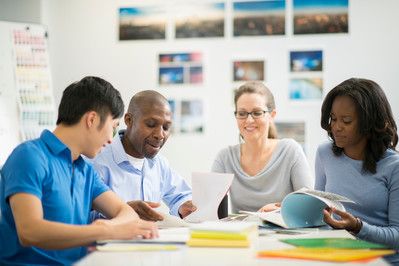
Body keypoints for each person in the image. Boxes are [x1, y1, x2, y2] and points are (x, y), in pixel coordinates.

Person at [0, 76, 158, 265]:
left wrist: (109, 226)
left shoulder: (84, 170)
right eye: (113, 127)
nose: (111, 139)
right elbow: (30, 231)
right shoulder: (29, 157)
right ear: (92, 119)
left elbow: (127, 213)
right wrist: (106, 230)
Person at [315, 78, 399, 254]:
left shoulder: (394, 166)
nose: (336, 127)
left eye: (346, 121)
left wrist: (358, 227)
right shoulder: (325, 153)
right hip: (336, 256)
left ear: (370, 123)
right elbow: (319, 213)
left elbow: (397, 236)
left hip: (379, 261)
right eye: (333, 118)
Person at [92, 90, 196, 222]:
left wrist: (184, 206)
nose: (160, 135)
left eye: (166, 127)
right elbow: (79, 216)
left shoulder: (159, 164)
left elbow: (181, 197)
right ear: (129, 120)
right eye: (151, 124)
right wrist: (122, 212)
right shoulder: (97, 161)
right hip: (111, 241)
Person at [212, 81, 313, 214]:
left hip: (283, 233)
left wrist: (279, 208)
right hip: (241, 233)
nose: (249, 120)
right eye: (242, 113)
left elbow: (310, 204)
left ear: (272, 115)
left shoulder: (290, 150)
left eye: (257, 113)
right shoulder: (225, 157)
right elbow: (210, 206)